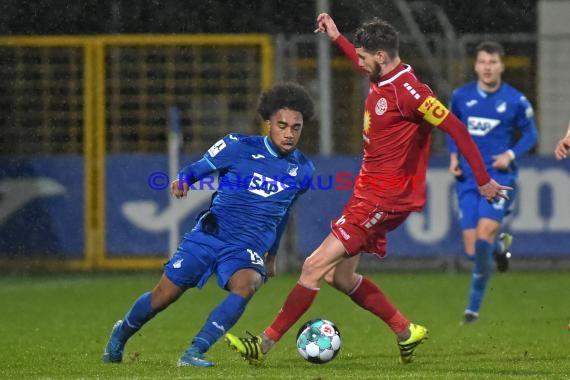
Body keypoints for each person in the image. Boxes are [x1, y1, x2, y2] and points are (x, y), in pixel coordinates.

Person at [225, 14, 511, 365]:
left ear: (380, 56)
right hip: (369, 193)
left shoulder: (412, 93)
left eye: (363, 57)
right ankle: (405, 331)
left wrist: (483, 180)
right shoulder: (384, 76)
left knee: (312, 267)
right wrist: (337, 37)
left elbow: (458, 130)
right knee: (339, 276)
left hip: (384, 197)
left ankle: (263, 346)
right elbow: (362, 64)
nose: (358, 63)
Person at [102, 82, 315, 367]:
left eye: (296, 127)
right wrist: (184, 180)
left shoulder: (303, 170)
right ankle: (121, 333)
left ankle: (194, 352)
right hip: (210, 235)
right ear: (268, 123)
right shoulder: (238, 146)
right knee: (163, 296)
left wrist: (272, 255)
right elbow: (199, 167)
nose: (289, 133)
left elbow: (284, 212)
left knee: (247, 284)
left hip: (246, 247)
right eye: (282, 125)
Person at [446, 41, 538, 324]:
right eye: (483, 62)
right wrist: (453, 157)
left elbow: (531, 135)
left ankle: (472, 310)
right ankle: (500, 247)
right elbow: (451, 128)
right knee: (474, 250)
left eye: (493, 62)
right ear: (476, 66)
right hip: (468, 179)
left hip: (499, 178)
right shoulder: (461, 97)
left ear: (501, 66)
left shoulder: (516, 100)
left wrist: (510, 154)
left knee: (483, 235)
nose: (487, 67)